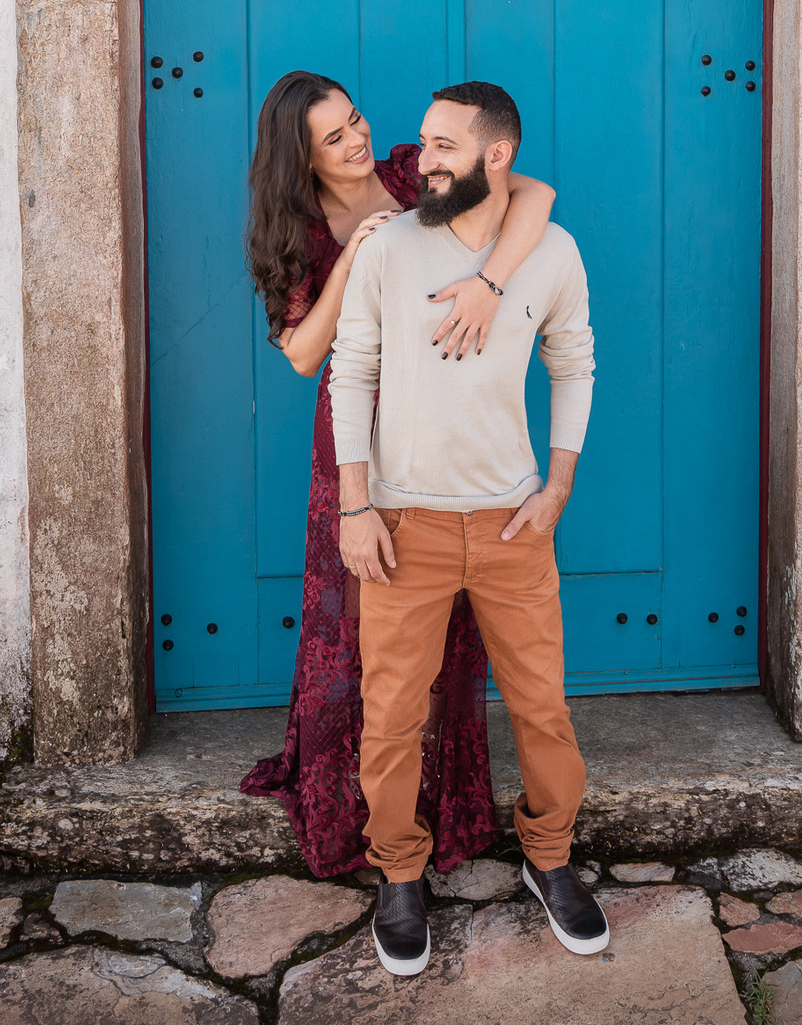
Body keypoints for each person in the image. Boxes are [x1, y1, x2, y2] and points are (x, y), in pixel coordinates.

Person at [240, 70, 556, 877]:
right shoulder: (294, 225)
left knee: (440, 636)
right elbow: (304, 353)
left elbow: (535, 193)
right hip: (356, 435)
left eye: (354, 120)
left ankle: (440, 801)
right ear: (301, 159)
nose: (359, 141)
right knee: (356, 628)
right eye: (335, 138)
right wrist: (362, 253)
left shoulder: (414, 169)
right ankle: (359, 811)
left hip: (443, 410)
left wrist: (489, 284)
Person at [329, 80, 609, 975]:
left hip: (511, 524)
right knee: (392, 716)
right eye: (421, 141)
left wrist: (560, 482)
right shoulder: (389, 246)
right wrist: (356, 503)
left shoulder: (552, 252)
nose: (422, 159)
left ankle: (552, 860)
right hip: (404, 523)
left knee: (542, 708)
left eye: (443, 145)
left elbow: (575, 361)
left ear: (496, 155)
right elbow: (350, 369)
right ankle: (400, 875)